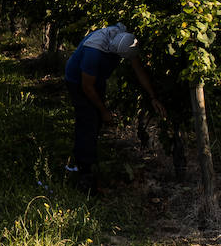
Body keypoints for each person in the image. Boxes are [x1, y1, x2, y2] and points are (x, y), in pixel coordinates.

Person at [62, 23, 164, 194]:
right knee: (88, 119)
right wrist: (104, 111)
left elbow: (138, 69)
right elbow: (87, 87)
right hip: (77, 82)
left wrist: (153, 97)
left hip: (96, 80)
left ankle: (87, 154)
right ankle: (83, 172)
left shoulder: (124, 38)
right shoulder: (93, 52)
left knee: (95, 122)